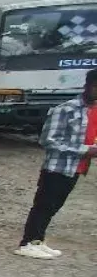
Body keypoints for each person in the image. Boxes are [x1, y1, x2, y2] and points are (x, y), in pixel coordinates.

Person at [16, 68, 97, 259]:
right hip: (57, 167)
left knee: (54, 206)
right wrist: (84, 150)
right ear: (88, 86)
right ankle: (27, 242)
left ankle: (37, 239)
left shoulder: (92, 111)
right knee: (44, 204)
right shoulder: (65, 109)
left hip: (76, 167)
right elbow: (48, 140)